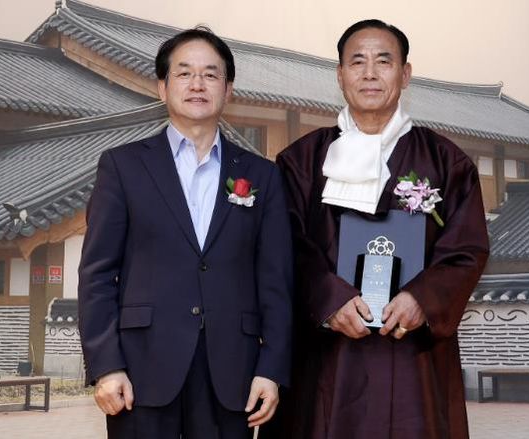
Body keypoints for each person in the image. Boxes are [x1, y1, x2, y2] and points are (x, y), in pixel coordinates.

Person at [273, 19, 489, 439]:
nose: (370, 73)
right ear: (340, 75)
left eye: (383, 61)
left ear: (405, 74)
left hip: (412, 353)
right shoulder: (301, 161)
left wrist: (423, 298)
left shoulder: (446, 161)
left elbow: (466, 249)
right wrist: (329, 299)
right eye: (357, 62)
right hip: (327, 353)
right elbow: (284, 244)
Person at [78, 26, 293, 438]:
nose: (197, 84)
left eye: (211, 74)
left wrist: (271, 369)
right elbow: (97, 274)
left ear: (228, 90)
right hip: (140, 372)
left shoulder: (261, 176)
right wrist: (106, 365)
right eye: (184, 73)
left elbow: (276, 281)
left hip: (233, 374)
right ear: (162, 87)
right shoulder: (123, 167)